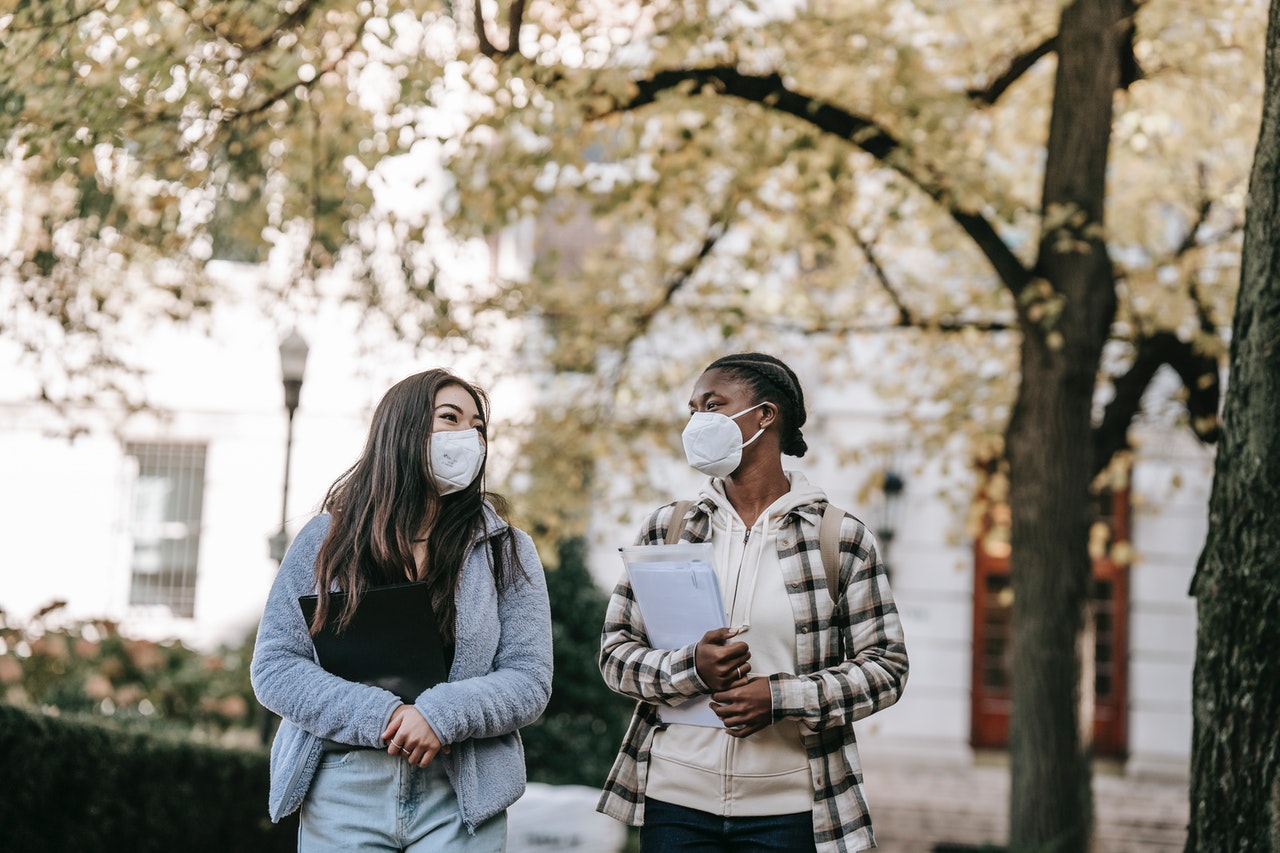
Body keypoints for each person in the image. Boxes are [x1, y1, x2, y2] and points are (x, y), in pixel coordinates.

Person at [597, 352, 909, 852]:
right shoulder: (668, 528)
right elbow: (614, 657)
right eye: (693, 409)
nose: (697, 421)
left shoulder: (840, 538)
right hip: (675, 805)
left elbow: (887, 669)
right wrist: (691, 667)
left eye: (713, 405)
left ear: (766, 415)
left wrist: (780, 698)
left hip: (788, 810)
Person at [251, 368, 553, 852]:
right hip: (343, 787)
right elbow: (276, 667)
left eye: (477, 426)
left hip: (461, 795)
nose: (469, 437)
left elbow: (529, 679)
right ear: (403, 429)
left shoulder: (507, 549)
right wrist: (386, 716)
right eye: (449, 418)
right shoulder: (324, 540)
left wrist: (438, 715)